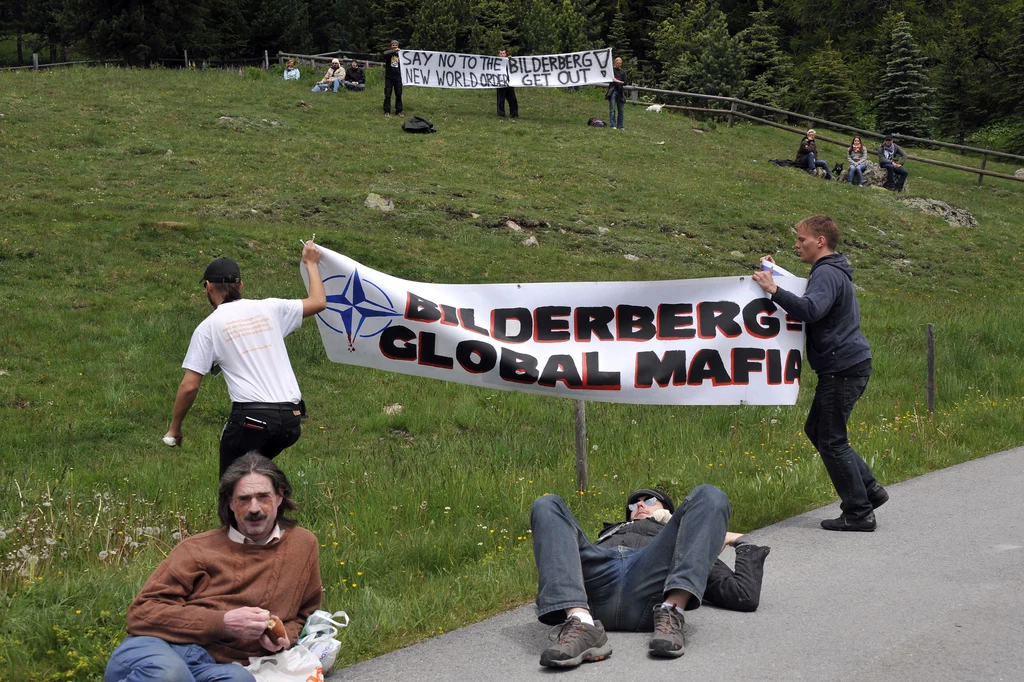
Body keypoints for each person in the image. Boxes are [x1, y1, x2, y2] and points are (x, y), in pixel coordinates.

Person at [104, 453, 323, 682]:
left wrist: (283, 635)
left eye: (263, 497)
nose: (254, 508)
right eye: (244, 499)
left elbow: (303, 615)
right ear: (230, 503)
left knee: (240, 680)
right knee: (170, 676)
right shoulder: (196, 549)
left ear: (279, 497)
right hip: (160, 646)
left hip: (212, 665)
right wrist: (223, 622)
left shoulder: (303, 545)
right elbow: (141, 613)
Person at [751, 216, 888, 532]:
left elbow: (811, 309)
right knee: (818, 429)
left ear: (820, 242)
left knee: (831, 439)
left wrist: (773, 290)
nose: (797, 244)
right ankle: (868, 490)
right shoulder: (831, 270)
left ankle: (859, 512)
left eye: (802, 239)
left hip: (842, 367)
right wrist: (775, 275)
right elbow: (811, 298)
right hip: (846, 364)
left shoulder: (826, 273)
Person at [163, 241, 326, 476]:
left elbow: (189, 386)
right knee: (256, 479)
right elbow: (319, 302)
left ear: (208, 287)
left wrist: (175, 428)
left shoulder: (209, 327)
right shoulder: (270, 308)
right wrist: (311, 262)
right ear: (240, 284)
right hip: (291, 420)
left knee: (232, 491)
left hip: (253, 420)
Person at [531, 485, 735, 668]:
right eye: (633, 505)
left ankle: (673, 610)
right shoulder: (610, 533)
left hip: (648, 580)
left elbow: (739, 592)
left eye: (650, 500)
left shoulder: (682, 541)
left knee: (710, 494)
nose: (639, 505)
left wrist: (743, 544)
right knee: (546, 504)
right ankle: (581, 621)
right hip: (597, 583)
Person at [496, 48, 519, 119]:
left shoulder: (509, 61)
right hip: (500, 83)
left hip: (509, 83)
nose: (502, 55)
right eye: (501, 53)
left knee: (512, 99)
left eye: (503, 53)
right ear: (499, 55)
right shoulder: (496, 62)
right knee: (501, 99)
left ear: (506, 54)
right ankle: (501, 114)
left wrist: (510, 60)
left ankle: (514, 114)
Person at [383, 40, 404, 117]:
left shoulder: (401, 55)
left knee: (398, 94)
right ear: (391, 46)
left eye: (396, 45)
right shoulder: (389, 54)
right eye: (393, 45)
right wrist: (393, 51)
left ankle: (399, 111)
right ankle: (387, 111)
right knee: (388, 94)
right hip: (389, 77)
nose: (395, 46)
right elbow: (384, 53)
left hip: (398, 77)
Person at [606, 57, 627, 130]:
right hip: (613, 90)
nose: (618, 64)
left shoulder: (623, 72)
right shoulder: (612, 70)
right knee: (612, 109)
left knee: (621, 110)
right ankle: (613, 124)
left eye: (620, 63)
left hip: (620, 91)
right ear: (615, 63)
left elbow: (625, 82)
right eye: (617, 63)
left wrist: (620, 82)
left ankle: (620, 125)